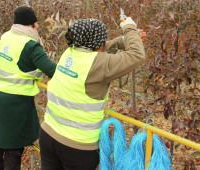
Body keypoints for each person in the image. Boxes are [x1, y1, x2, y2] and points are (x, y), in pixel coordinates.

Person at [39, 17, 146, 170]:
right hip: (77, 146)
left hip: (48, 134)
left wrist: (125, 39)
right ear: (99, 43)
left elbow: (96, 49)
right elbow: (137, 55)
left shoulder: (69, 53)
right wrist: (130, 28)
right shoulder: (97, 63)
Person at [0, 6, 56, 170]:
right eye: (35, 23)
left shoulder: (6, 36)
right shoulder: (31, 45)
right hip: (14, 103)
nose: (38, 26)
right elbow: (52, 70)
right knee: (13, 150)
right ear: (29, 26)